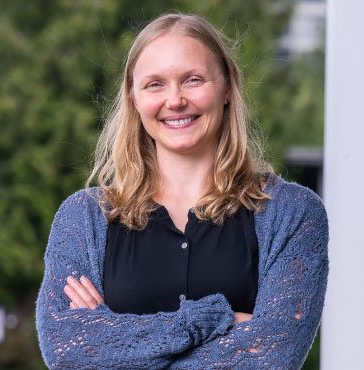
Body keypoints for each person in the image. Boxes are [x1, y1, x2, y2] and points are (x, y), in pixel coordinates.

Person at [35, 12, 329, 370]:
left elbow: (273, 357)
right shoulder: (83, 218)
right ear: (134, 97)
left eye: (192, 79)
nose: (174, 100)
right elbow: (67, 351)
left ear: (227, 86)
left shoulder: (292, 214)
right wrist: (216, 319)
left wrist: (112, 336)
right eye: (154, 84)